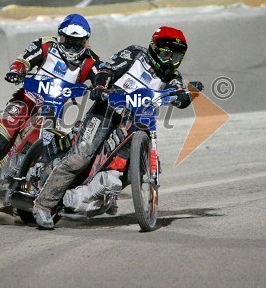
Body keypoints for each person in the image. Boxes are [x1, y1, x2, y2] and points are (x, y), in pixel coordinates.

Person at [32, 26, 204, 229]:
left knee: (136, 171)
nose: (169, 61)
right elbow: (107, 69)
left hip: (136, 121)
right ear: (154, 49)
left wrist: (189, 94)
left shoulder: (172, 77)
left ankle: (101, 194)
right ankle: (43, 205)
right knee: (80, 157)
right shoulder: (134, 54)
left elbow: (180, 98)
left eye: (175, 57)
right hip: (106, 110)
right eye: (166, 54)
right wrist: (100, 87)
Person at [0, 13, 104, 194]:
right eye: (69, 41)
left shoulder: (91, 60)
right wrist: (17, 70)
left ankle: (30, 183)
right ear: (61, 37)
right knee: (6, 126)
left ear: (85, 41)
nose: (73, 47)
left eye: (78, 42)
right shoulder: (45, 45)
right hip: (27, 99)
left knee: (52, 142)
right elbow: (23, 60)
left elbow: (102, 78)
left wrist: (101, 88)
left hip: (53, 109)